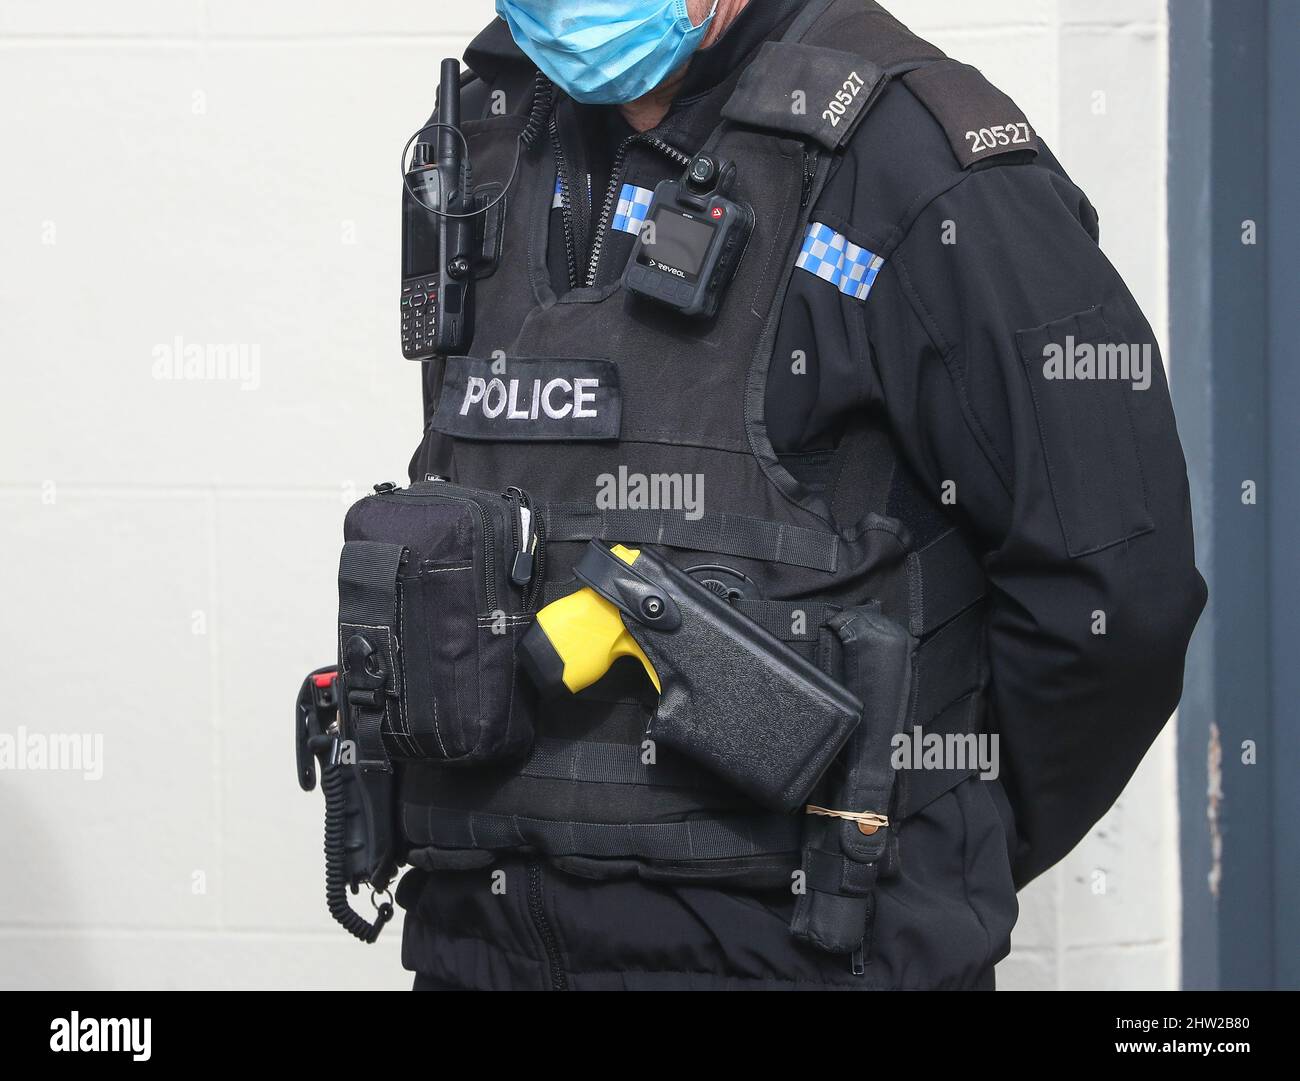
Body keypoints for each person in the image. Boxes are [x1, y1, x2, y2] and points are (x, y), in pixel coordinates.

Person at [395, 0, 1206, 990]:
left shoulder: (908, 160)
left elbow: (1116, 596)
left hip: (799, 961)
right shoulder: (489, 133)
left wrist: (924, 834)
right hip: (477, 958)